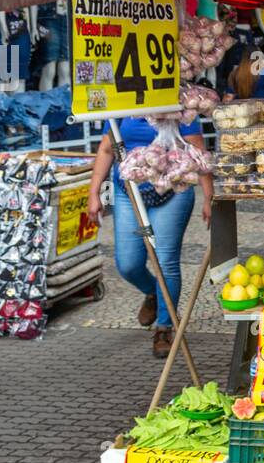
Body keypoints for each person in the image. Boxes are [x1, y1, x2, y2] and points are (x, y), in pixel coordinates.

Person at [87, 117, 213, 358]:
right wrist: (94, 192)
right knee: (128, 263)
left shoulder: (179, 104)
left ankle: (164, 328)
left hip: (174, 189)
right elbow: (106, 148)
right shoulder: (122, 106)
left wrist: (209, 197)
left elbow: (198, 151)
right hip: (129, 191)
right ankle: (153, 292)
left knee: (166, 261)